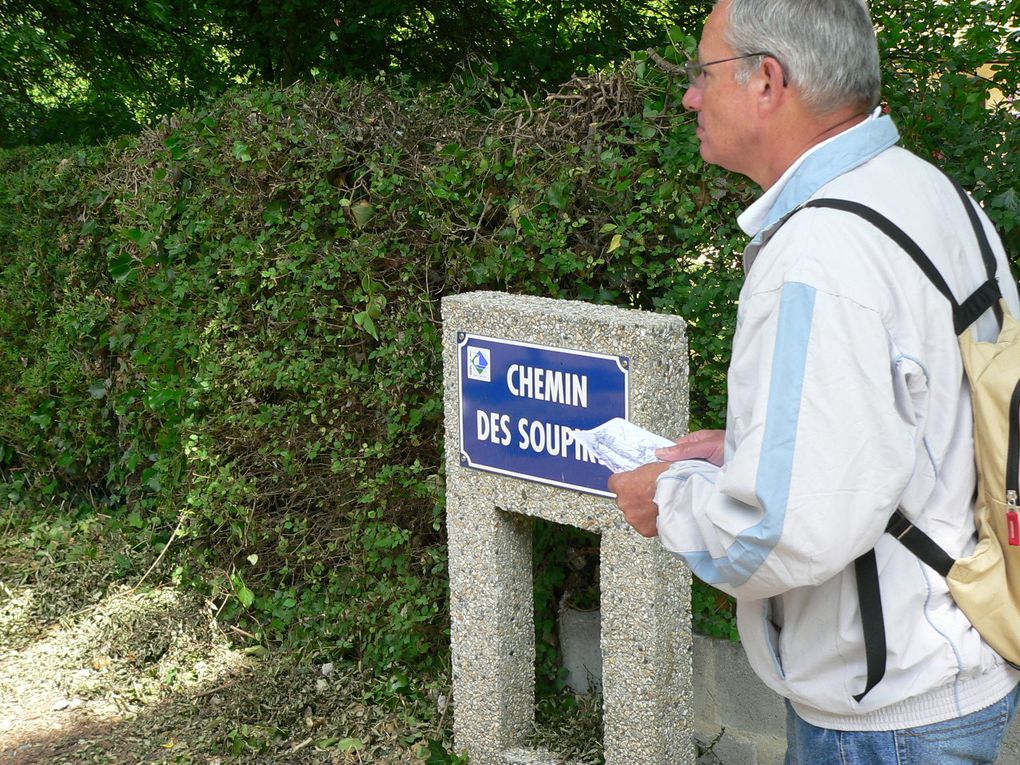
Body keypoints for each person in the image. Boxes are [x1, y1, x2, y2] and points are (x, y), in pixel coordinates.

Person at [608, 0, 1020, 762]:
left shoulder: (820, 256)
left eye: (705, 71)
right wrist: (751, 450)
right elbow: (930, 417)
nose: (691, 95)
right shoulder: (933, 196)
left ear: (769, 80)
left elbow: (779, 533)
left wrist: (664, 499)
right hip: (960, 656)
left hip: (886, 719)